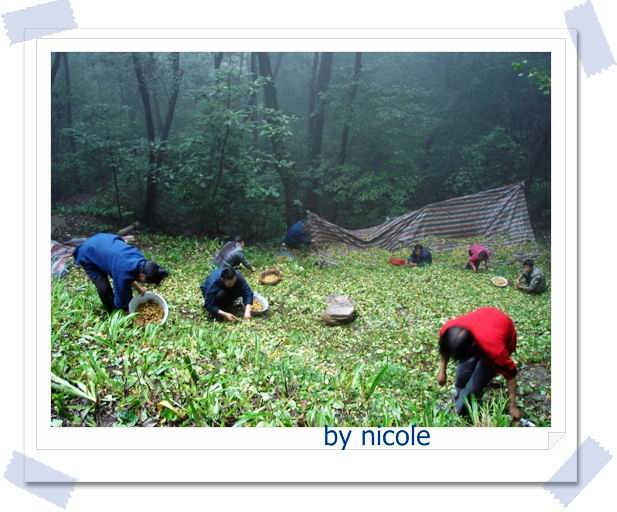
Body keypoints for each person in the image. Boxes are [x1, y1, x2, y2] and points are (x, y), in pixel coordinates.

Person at [436, 307, 521, 421]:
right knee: (461, 376)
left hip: (499, 331)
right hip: (484, 319)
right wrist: (442, 372)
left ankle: (458, 411)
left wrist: (513, 406)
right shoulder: (447, 330)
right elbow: (445, 350)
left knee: (474, 386)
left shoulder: (495, 351)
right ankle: (458, 398)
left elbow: (511, 375)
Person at [73, 233, 169, 312]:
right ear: (142, 276)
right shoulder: (123, 274)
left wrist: (139, 288)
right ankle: (111, 311)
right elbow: (122, 300)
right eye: (147, 282)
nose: (145, 283)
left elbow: (131, 273)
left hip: (104, 241)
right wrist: (128, 313)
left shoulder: (141, 261)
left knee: (118, 271)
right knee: (104, 289)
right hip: (88, 253)